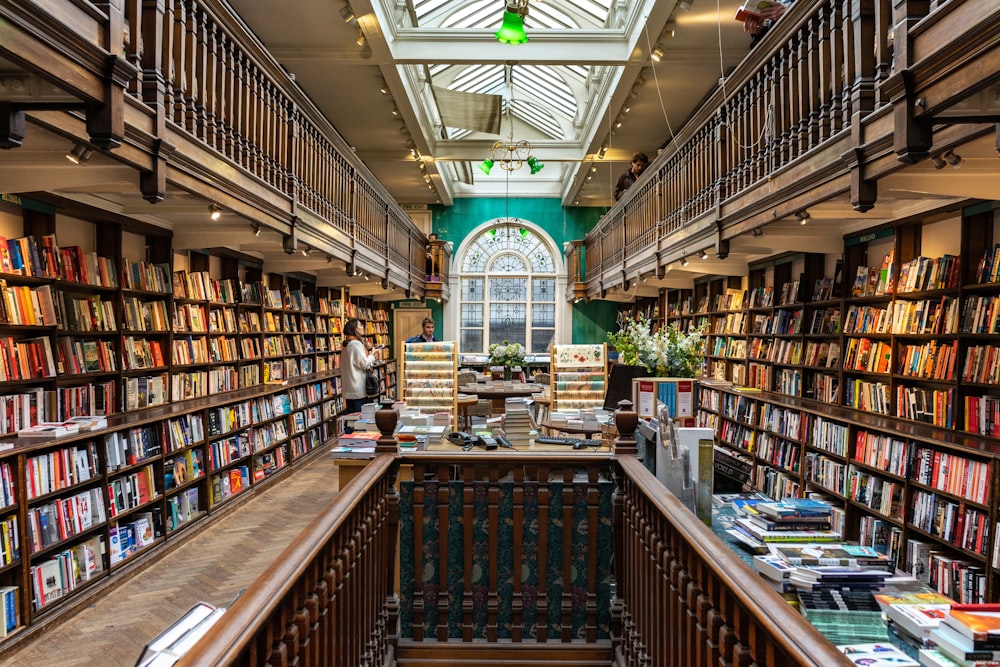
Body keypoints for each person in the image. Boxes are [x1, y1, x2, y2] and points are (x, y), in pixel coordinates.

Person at [342, 318, 375, 432]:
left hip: (349, 388)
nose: (362, 327)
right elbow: (365, 364)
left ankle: (348, 442)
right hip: (358, 389)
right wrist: (372, 355)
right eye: (360, 325)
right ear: (355, 329)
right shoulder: (356, 344)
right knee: (360, 421)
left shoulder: (346, 345)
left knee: (350, 419)